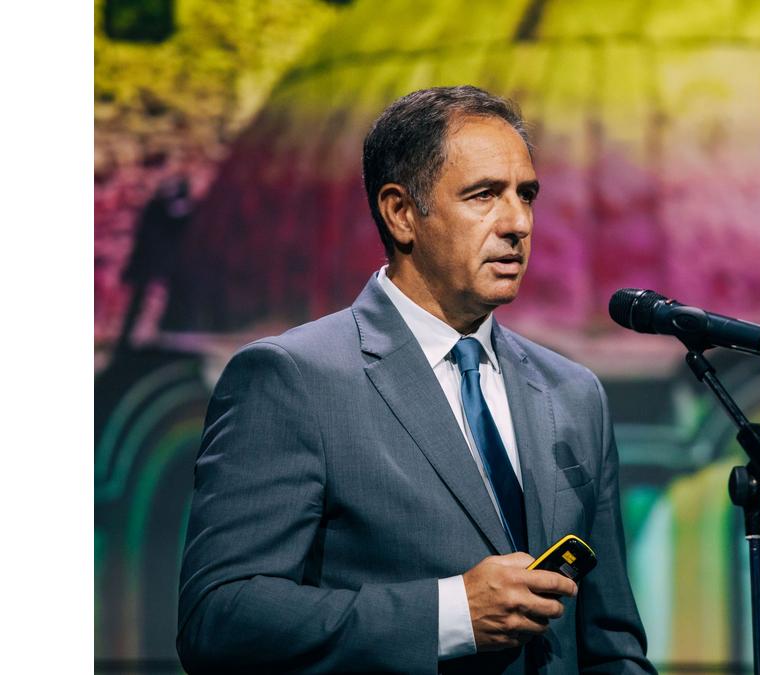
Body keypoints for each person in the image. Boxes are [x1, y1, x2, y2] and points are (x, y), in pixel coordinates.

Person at [176, 86, 654, 674]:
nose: (517, 223)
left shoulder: (573, 394)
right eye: (484, 195)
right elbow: (220, 619)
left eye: (526, 195)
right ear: (401, 213)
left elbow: (610, 647)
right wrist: (449, 616)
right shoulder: (293, 379)